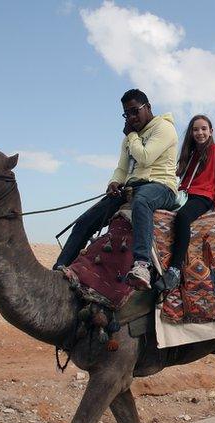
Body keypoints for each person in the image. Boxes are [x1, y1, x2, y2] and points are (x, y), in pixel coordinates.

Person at [54, 89, 178, 290]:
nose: (131, 117)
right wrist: (114, 182)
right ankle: (60, 268)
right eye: (126, 114)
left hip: (160, 186)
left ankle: (142, 265)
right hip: (131, 188)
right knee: (86, 220)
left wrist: (131, 135)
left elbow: (145, 157)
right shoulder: (131, 138)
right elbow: (122, 168)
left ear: (148, 107)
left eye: (134, 111)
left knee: (142, 202)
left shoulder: (164, 128)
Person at [161, 114, 215, 291]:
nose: (199, 133)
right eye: (195, 129)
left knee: (183, 217)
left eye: (203, 129)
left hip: (203, 196)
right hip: (184, 195)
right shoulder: (190, 154)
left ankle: (175, 270)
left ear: (211, 131)